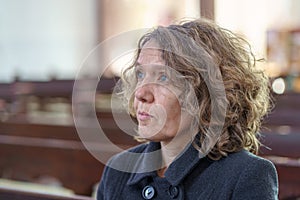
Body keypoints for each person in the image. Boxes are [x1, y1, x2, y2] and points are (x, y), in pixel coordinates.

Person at [97, 18, 278, 200]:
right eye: (141, 74)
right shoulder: (117, 170)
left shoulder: (247, 175)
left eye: (163, 77)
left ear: (205, 94)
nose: (141, 93)